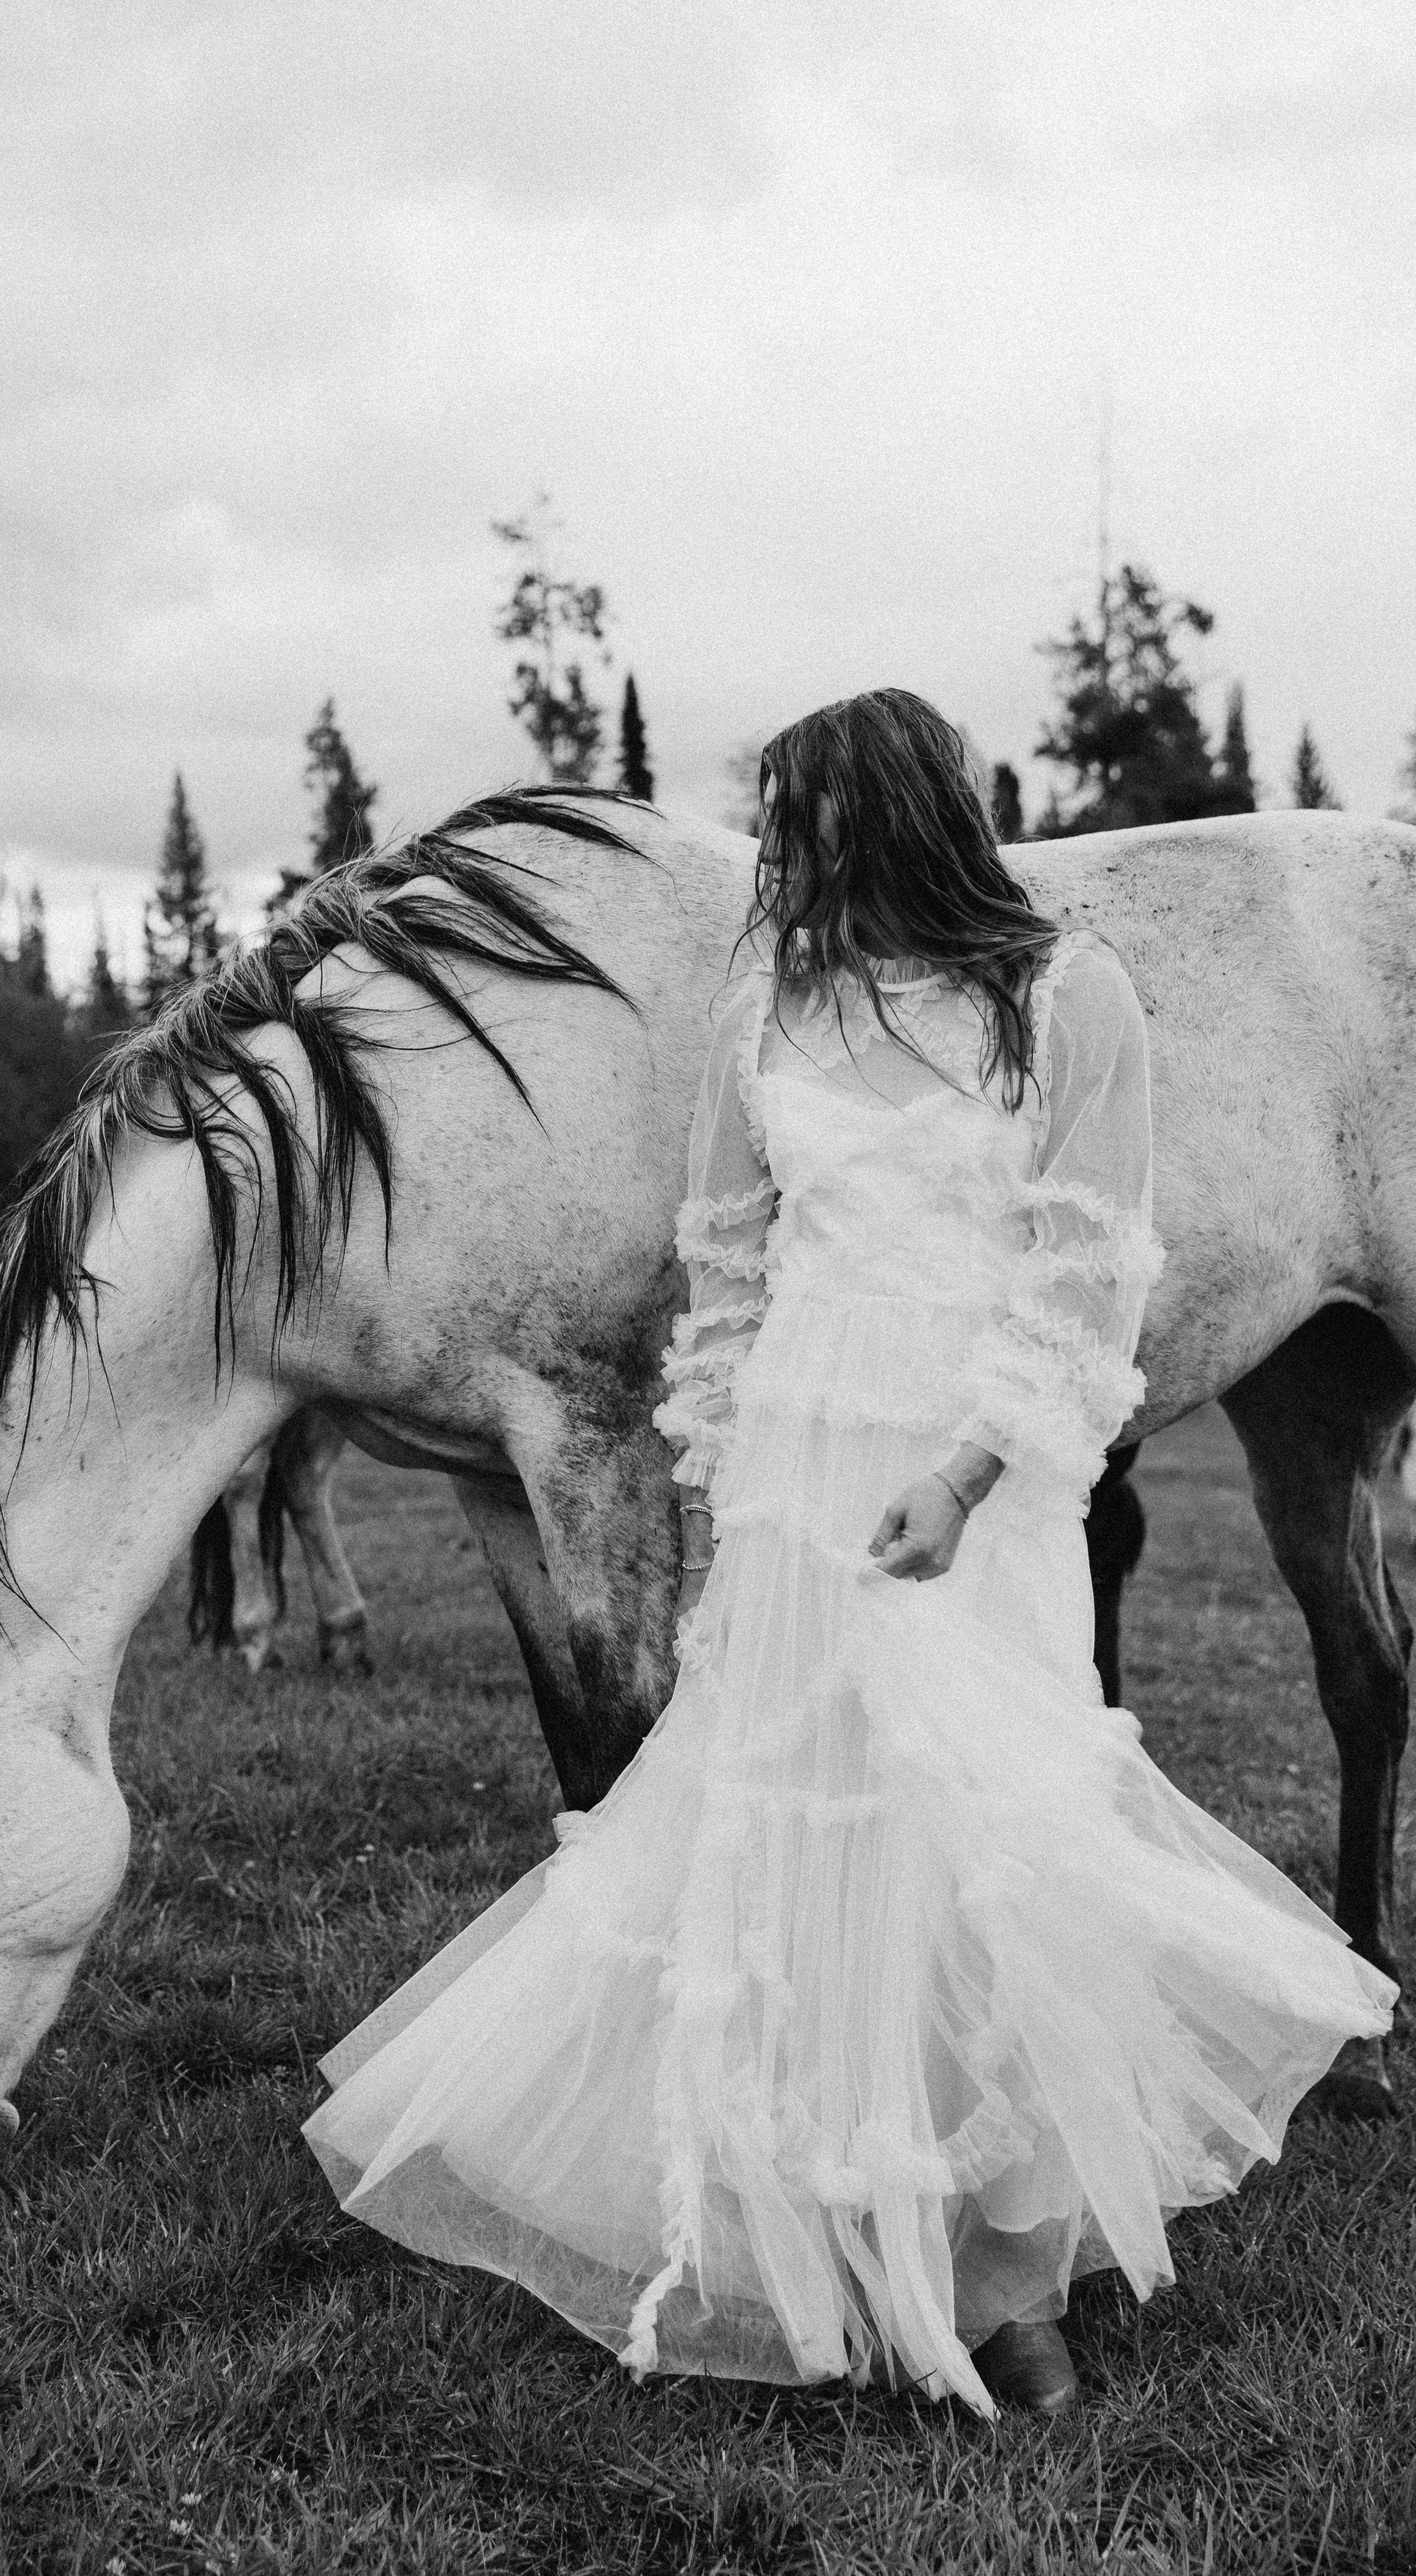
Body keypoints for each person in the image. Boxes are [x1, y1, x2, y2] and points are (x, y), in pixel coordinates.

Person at [304, 688, 1394, 2419]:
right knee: (805, 1835)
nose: (769, 856)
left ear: (882, 819)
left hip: (980, 1467)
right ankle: (818, 2222)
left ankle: (1009, 2274)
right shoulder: (769, 1010)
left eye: (795, 819)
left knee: (984, 1835)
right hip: (802, 1463)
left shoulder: (1063, 999)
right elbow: (723, 1264)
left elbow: (1086, 1268)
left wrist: (966, 1477)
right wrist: (728, 1469)